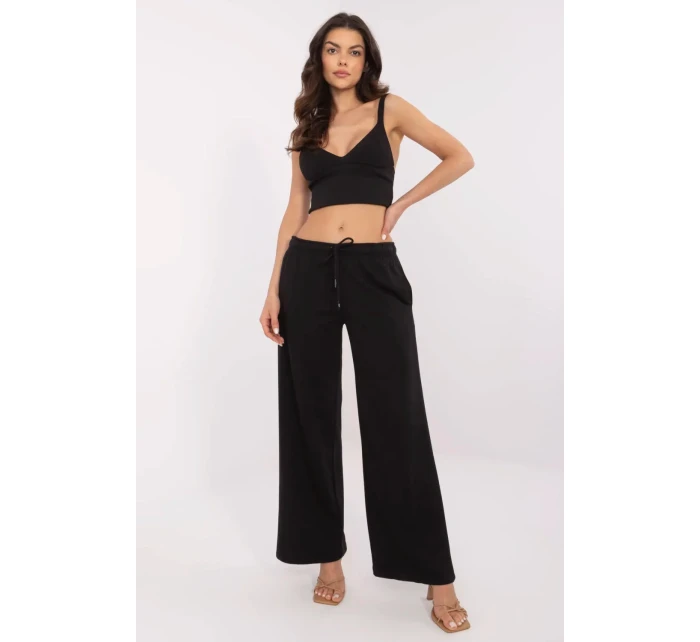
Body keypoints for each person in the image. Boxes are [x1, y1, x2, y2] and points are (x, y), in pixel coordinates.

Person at [259, 13, 475, 633]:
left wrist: (399, 205)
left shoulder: (390, 110)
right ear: (319, 58)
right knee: (310, 413)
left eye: (354, 51)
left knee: (396, 414)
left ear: (366, 60)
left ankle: (437, 578)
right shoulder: (306, 128)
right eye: (333, 50)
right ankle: (327, 559)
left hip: (373, 271)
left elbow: (459, 156)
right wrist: (273, 287)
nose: (343, 60)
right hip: (307, 270)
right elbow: (294, 208)